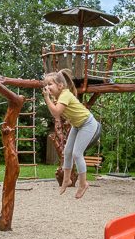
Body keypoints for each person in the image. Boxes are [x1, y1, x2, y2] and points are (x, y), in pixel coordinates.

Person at [42, 68, 101, 199]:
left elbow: (56, 113)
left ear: (60, 85)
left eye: (50, 84)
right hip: (77, 125)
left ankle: (83, 184)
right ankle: (67, 180)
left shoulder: (65, 95)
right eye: (45, 85)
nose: (47, 87)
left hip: (88, 124)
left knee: (77, 154)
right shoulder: (59, 97)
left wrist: (46, 98)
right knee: (67, 152)